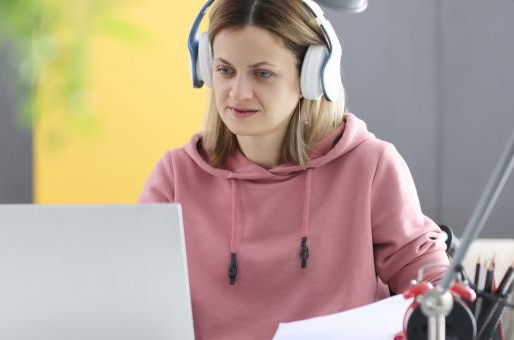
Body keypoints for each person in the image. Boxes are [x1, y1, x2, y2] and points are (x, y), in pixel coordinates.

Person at [139, 0, 450, 338]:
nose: (238, 92)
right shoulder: (176, 175)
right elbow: (131, 292)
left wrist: (445, 296)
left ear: (313, 76)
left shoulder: (369, 167)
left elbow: (431, 285)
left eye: (262, 73)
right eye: (225, 70)